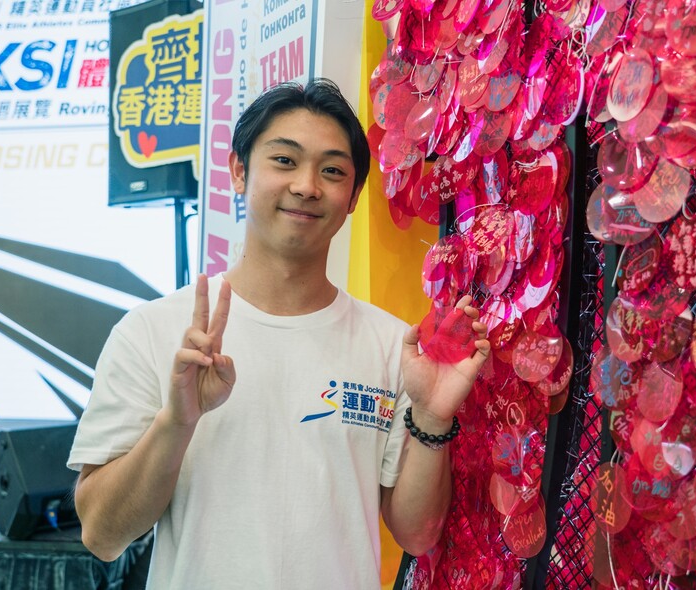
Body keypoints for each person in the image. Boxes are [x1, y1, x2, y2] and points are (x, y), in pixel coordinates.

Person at [67, 78, 489, 589]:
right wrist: (177, 421)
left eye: (332, 171)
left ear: (353, 197)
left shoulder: (391, 346)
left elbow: (416, 535)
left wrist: (431, 417)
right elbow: (101, 534)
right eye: (285, 161)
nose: (307, 186)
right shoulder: (155, 333)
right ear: (239, 171)